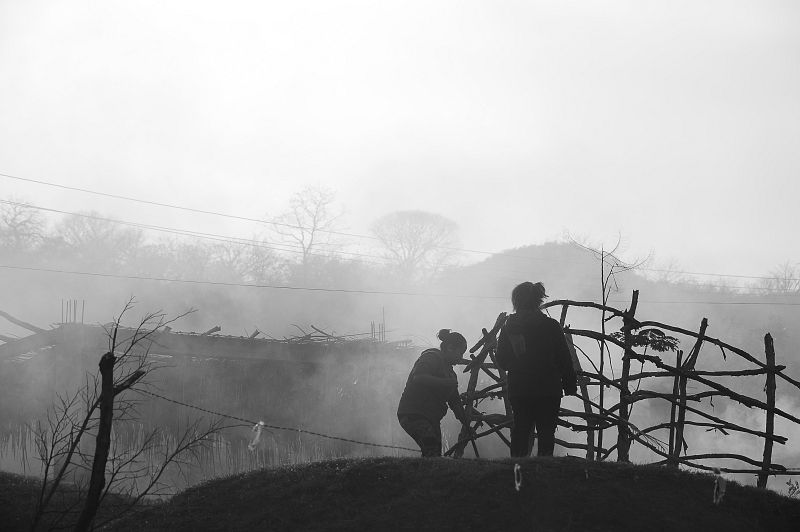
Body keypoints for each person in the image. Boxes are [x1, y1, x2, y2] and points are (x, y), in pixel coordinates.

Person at [496, 281, 577, 457]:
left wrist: (517, 365)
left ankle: (517, 469)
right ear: (538, 300)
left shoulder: (510, 326)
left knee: (521, 430)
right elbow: (564, 358)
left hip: (520, 388)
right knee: (546, 432)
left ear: (516, 301)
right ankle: (544, 468)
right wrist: (570, 384)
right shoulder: (551, 326)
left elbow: (502, 360)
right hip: (548, 389)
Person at [397, 329, 469, 457]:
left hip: (431, 418)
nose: (461, 358)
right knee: (431, 448)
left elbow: (455, 403)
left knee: (434, 454)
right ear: (450, 348)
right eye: (460, 352)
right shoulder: (431, 357)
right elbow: (419, 377)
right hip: (413, 413)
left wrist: (467, 425)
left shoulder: (450, 374)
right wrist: (445, 383)